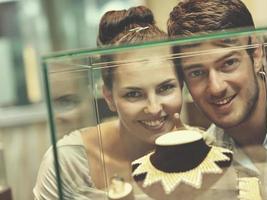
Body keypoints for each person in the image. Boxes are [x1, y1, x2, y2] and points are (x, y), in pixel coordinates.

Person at [33, 6, 191, 199]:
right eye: (133, 94)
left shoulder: (209, 152)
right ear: (109, 97)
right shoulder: (68, 163)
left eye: (165, 88)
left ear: (181, 85)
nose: (154, 108)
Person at [167, 0, 267, 199]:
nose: (216, 87)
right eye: (196, 72)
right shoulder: (205, 160)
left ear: (256, 54)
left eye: (229, 63)